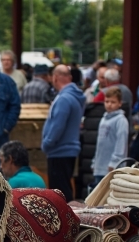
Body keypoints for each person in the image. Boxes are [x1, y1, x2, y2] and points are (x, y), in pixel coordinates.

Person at [41, 64, 85, 200]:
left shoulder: (64, 99)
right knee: (64, 190)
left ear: (55, 78)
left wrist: (47, 143)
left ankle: (66, 220)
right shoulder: (73, 97)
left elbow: (57, 126)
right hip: (67, 149)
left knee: (60, 194)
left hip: (59, 151)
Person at [92, 87, 129, 185]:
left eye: (113, 102)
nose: (109, 104)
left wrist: (114, 163)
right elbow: (99, 144)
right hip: (99, 167)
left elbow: (121, 143)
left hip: (112, 168)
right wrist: (94, 162)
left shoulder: (121, 120)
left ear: (120, 103)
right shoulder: (103, 119)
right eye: (107, 101)